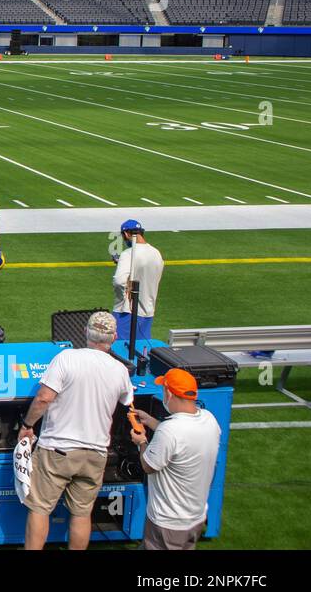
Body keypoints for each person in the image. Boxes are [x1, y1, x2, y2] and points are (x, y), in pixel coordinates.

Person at [18, 312, 133, 550]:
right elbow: (127, 402)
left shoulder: (67, 358)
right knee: (82, 514)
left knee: (39, 509)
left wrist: (27, 426)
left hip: (57, 450)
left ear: (85, 332)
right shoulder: (120, 369)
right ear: (114, 336)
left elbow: (43, 398)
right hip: (95, 453)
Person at [129, 368, 221, 550]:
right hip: (196, 516)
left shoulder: (170, 431)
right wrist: (151, 421)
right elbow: (182, 441)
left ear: (169, 393)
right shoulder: (209, 419)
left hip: (168, 522)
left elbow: (149, 465)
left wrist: (141, 441)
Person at [112, 219, 164, 342]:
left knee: (120, 351)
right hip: (148, 311)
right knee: (141, 351)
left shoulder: (128, 254)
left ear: (126, 234)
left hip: (126, 311)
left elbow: (119, 281)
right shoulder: (156, 253)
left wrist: (123, 299)